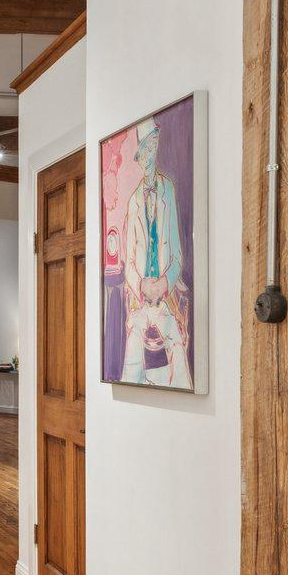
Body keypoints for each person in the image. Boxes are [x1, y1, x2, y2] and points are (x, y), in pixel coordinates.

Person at [118, 118, 190, 388]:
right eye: (145, 150)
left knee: (175, 343)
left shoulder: (167, 191)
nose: (149, 155)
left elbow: (176, 252)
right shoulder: (134, 200)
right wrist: (141, 285)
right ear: (138, 157)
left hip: (164, 295)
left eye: (153, 147)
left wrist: (165, 283)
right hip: (140, 298)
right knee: (133, 354)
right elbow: (129, 262)